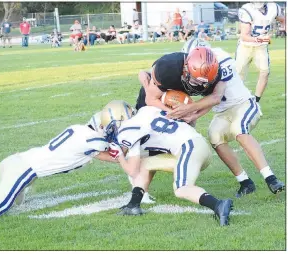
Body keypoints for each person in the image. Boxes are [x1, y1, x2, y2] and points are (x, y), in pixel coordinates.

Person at [180, 39, 285, 197]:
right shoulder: (189, 67)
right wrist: (191, 115)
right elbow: (209, 101)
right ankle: (245, 182)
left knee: (239, 129)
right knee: (214, 136)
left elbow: (216, 96)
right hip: (222, 112)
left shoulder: (220, 60)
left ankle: (271, 178)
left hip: (243, 104)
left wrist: (192, 112)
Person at [101, 100, 233, 226]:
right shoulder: (147, 110)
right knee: (145, 163)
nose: (114, 130)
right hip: (197, 145)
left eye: (113, 125)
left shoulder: (128, 129)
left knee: (182, 188)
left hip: (189, 148)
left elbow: (132, 171)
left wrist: (118, 156)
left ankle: (218, 205)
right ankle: (133, 205)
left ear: (121, 118)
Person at [236, 2, 285, 105]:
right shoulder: (247, 9)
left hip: (261, 47)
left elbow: (283, 19)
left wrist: (283, 28)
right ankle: (236, 101)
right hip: (245, 46)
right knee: (238, 75)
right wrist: (261, 40)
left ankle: (256, 102)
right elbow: (244, 36)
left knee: (265, 72)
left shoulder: (273, 7)